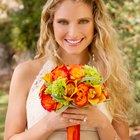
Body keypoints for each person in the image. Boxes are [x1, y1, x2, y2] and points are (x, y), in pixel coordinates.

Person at [4, 0, 134, 140]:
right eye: (63, 22)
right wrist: (47, 125)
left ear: (95, 24)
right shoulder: (26, 73)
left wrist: (102, 124)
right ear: (51, 24)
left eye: (83, 21)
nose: (73, 33)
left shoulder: (111, 74)